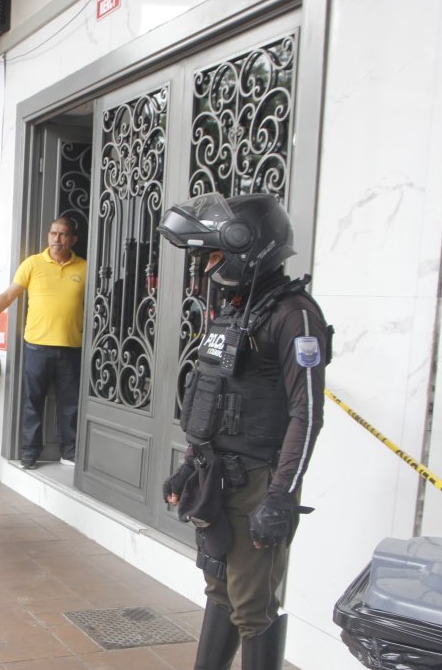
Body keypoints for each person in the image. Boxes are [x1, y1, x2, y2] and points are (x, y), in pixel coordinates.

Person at [157, 192, 331, 670]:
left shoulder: (294, 315)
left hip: (259, 479)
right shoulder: (237, 309)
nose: (208, 266)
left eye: (213, 254)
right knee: (219, 586)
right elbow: (213, 394)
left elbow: (307, 413)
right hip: (217, 477)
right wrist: (188, 465)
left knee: (253, 607)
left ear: (245, 248)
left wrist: (280, 497)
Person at [0, 215, 86, 468]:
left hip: (71, 348)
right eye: (53, 233)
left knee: (70, 404)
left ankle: (70, 452)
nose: (57, 239)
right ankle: (29, 454)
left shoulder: (84, 268)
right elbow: (8, 296)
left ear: (73, 239)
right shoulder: (33, 264)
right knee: (33, 402)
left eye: (63, 234)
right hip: (37, 347)